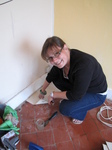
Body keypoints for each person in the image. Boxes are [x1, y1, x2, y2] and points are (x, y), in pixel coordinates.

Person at [39, 36, 107, 124]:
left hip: (96, 94)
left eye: (56, 53)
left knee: (64, 108)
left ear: (65, 47)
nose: (55, 60)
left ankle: (81, 114)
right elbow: (51, 76)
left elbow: (76, 95)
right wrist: (42, 90)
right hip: (83, 87)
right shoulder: (63, 60)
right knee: (56, 78)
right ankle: (75, 100)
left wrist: (53, 94)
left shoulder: (84, 64)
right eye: (50, 58)